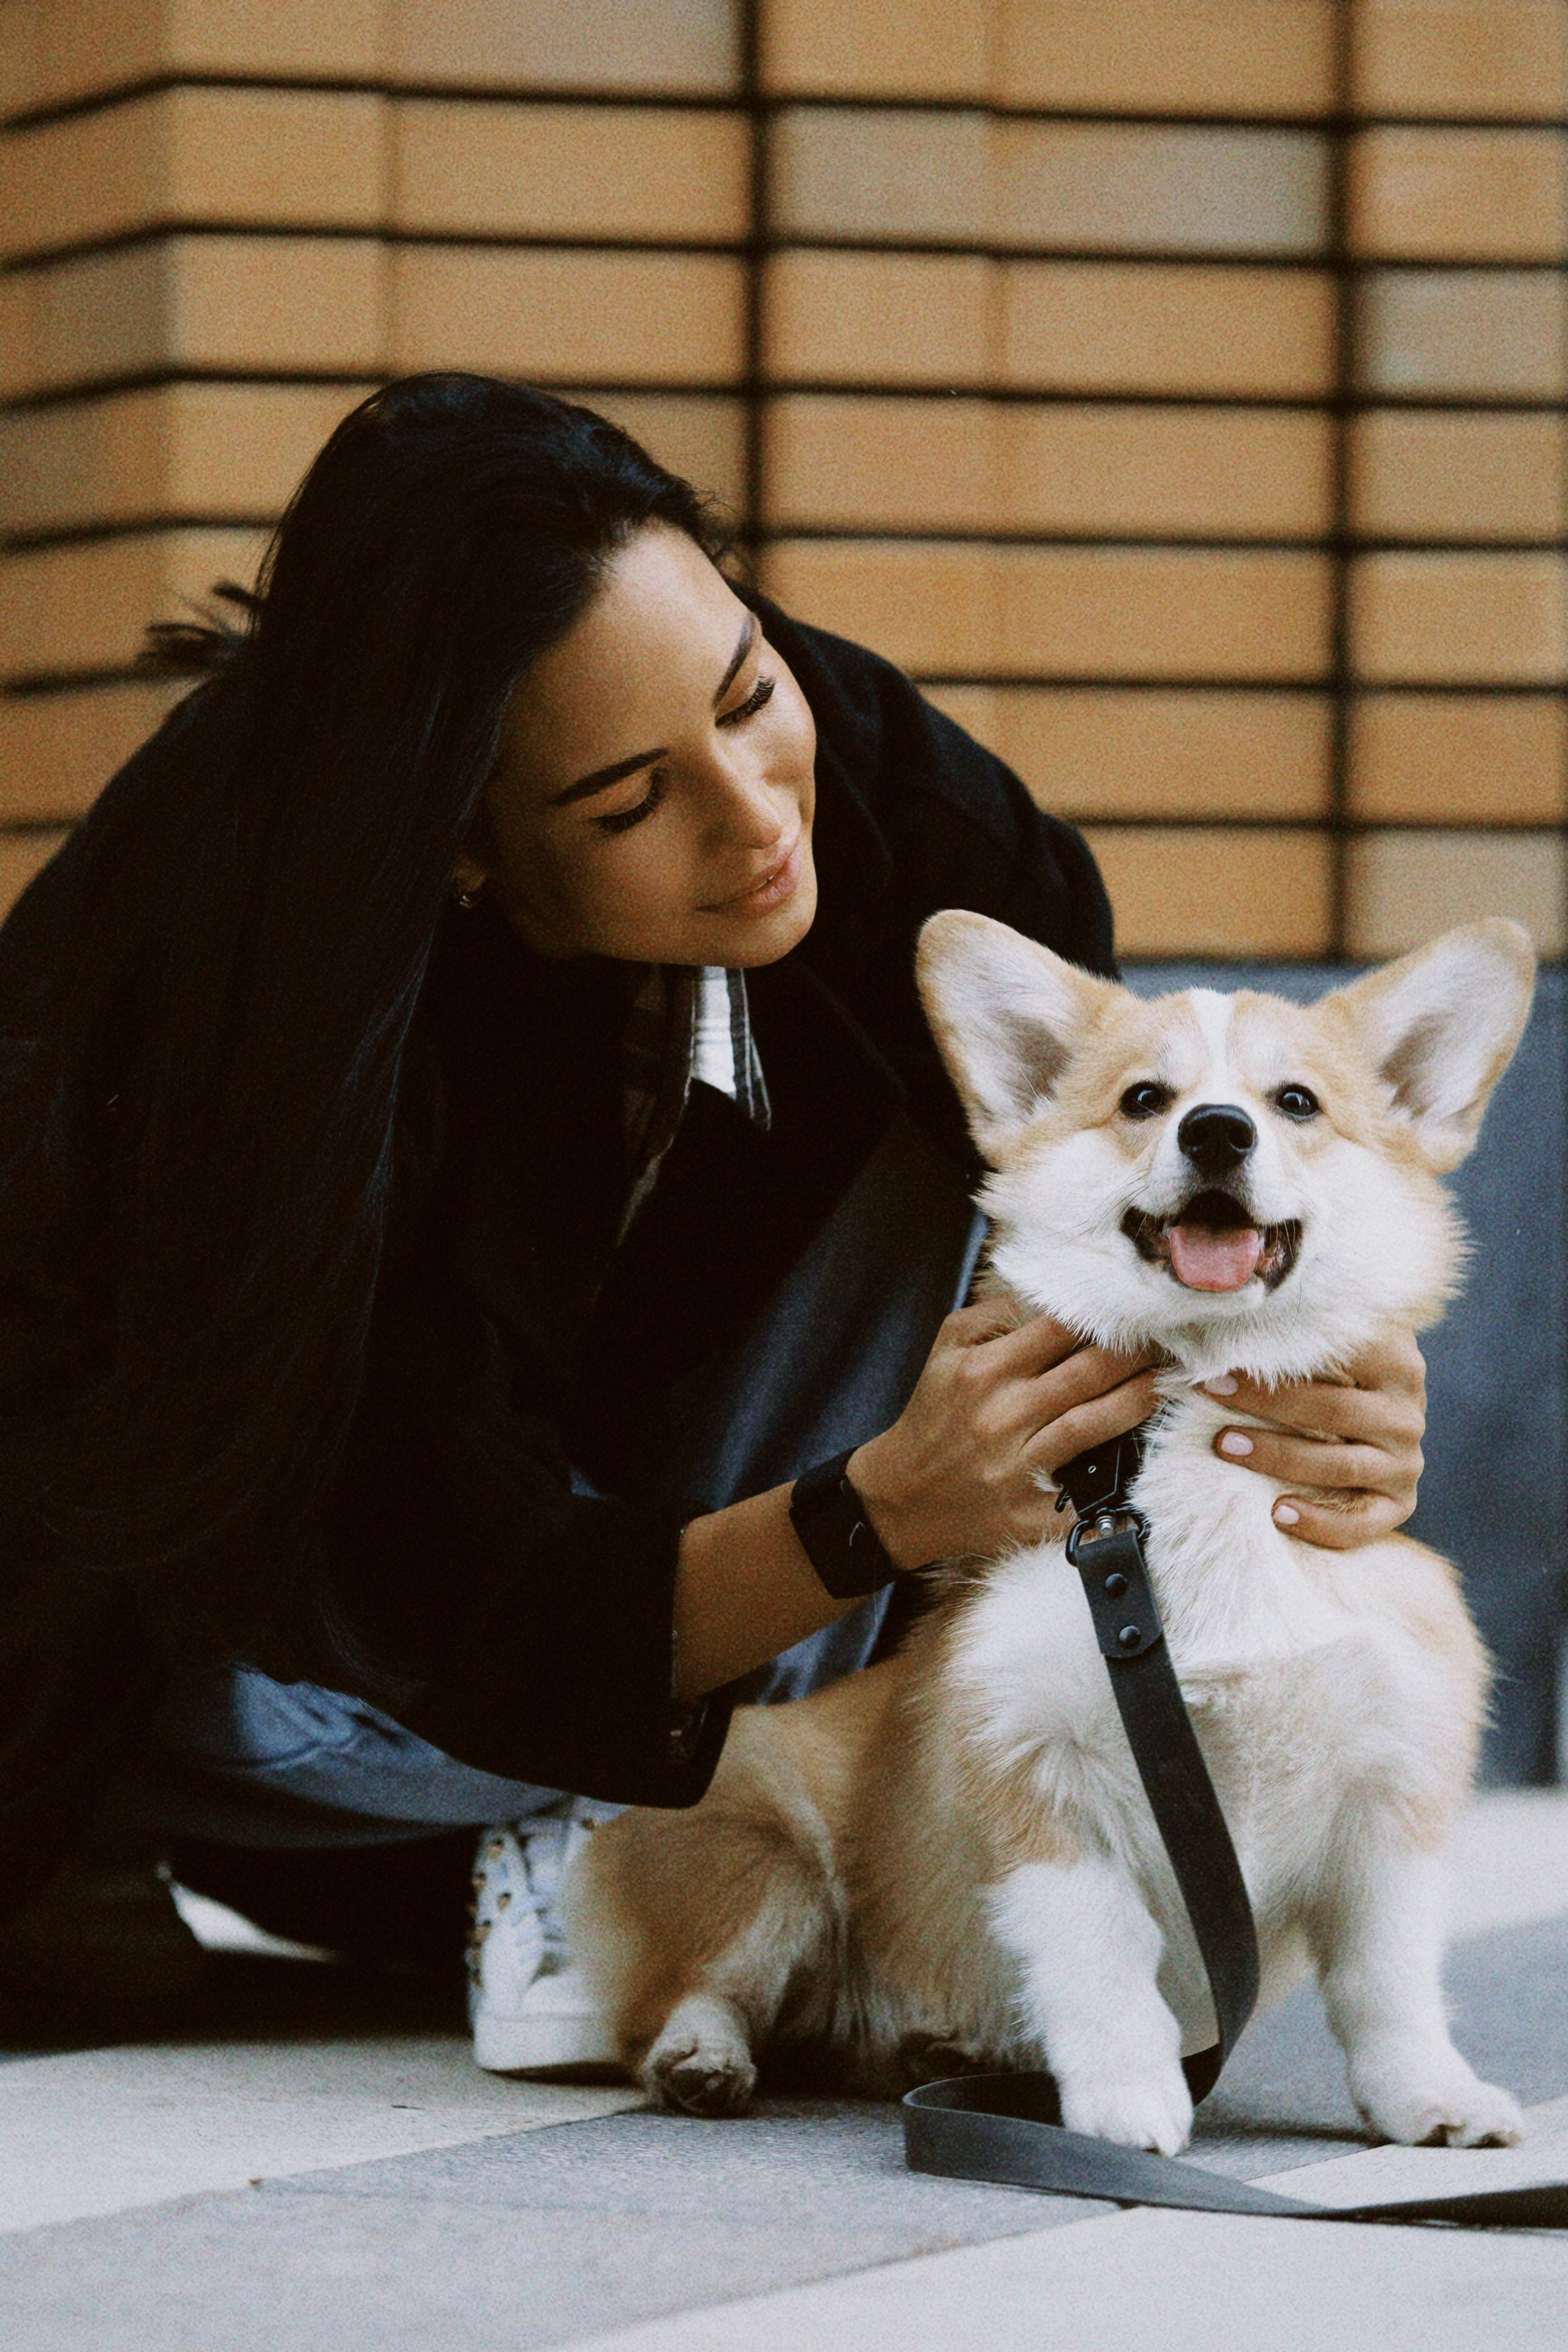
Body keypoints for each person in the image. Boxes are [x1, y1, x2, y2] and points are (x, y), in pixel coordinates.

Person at [0, 377, 1426, 2068]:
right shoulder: (260, 1009)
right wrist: (874, 1516)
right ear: (466, 853)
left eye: (751, 691)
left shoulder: (892, 806)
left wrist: (1302, 1384)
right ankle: (553, 1839)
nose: (756, 816)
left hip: (657, 1529)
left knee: (1027, 1135)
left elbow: (1129, 1174)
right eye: (626, 807)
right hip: (242, 1641)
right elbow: (437, 1587)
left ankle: (706, 1817)